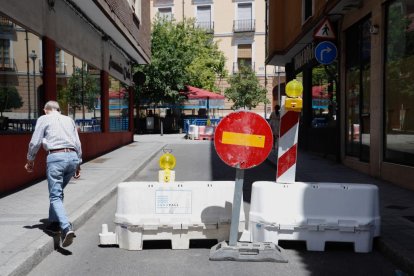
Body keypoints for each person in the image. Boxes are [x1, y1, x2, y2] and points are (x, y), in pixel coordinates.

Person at [25, 100, 82, 248]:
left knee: (55, 195)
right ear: (59, 110)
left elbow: (35, 142)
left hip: (56, 158)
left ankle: (66, 227)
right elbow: (77, 142)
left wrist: (30, 160)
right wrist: (78, 163)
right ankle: (53, 223)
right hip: (72, 157)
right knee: (58, 192)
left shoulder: (44, 119)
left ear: (46, 110)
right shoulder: (69, 120)